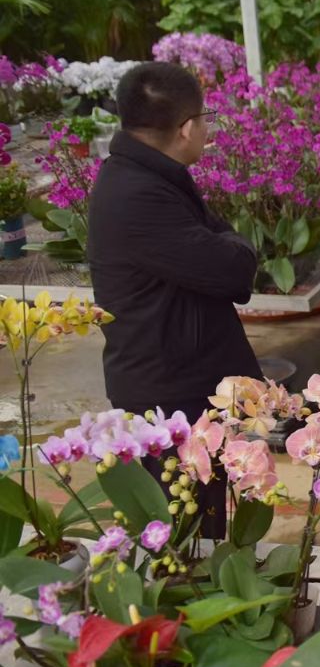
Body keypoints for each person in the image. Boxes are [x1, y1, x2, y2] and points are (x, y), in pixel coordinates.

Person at [89, 61, 261, 538]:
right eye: (206, 118)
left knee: (197, 525)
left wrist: (225, 243)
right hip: (168, 399)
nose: (208, 128)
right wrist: (238, 245)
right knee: (183, 540)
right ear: (186, 128)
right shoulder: (138, 194)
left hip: (179, 381)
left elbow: (216, 247)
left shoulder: (146, 174)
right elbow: (233, 268)